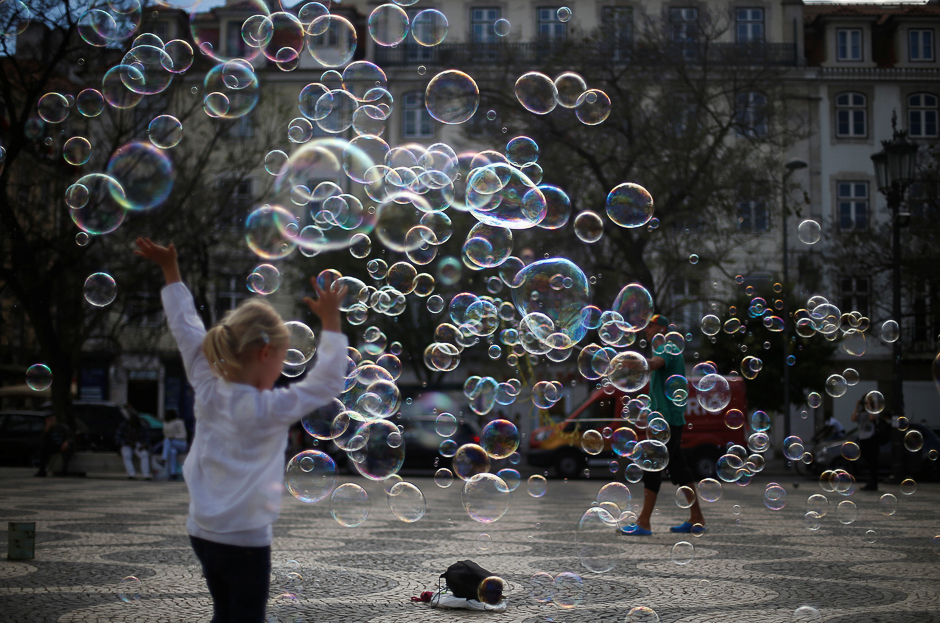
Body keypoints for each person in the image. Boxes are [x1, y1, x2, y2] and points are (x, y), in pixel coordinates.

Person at [135, 237, 348, 623]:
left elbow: (185, 327)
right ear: (265, 353)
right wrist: (331, 319)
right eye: (282, 361)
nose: (281, 372)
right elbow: (328, 382)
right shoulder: (270, 408)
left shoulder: (207, 385)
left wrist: (170, 271)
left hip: (201, 532)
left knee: (224, 613)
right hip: (246, 541)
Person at [621, 314, 705, 536]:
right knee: (678, 467)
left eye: (651, 325)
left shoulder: (667, 346)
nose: (646, 329)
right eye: (646, 326)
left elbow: (656, 364)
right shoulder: (663, 347)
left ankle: (644, 522)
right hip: (665, 418)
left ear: (663, 329)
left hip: (665, 419)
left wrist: (634, 362)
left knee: (652, 464)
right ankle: (696, 517)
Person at [851, 398, 880, 491]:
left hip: (871, 439)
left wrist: (869, 406)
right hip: (863, 439)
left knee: (873, 462)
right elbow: (853, 419)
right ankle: (869, 482)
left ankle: (873, 483)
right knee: (866, 462)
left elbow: (872, 418)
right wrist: (856, 406)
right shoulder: (859, 412)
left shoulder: (874, 411)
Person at [116, 412, 152, 480]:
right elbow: (118, 438)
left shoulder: (142, 427)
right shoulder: (124, 426)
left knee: (144, 455)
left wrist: (144, 445)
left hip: (138, 444)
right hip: (126, 445)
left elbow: (147, 438)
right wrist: (126, 443)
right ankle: (131, 474)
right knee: (126, 455)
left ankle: (146, 474)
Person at [162, 409, 187, 481]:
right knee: (172, 452)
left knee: (166, 440)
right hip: (171, 445)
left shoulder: (179, 422)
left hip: (181, 443)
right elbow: (165, 434)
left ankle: (164, 458)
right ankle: (173, 473)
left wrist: (174, 437)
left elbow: (183, 435)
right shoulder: (165, 423)